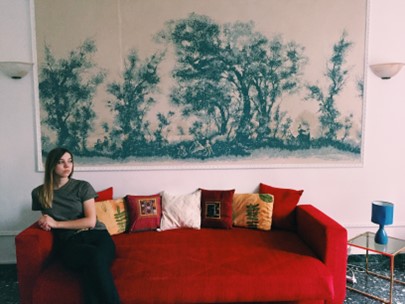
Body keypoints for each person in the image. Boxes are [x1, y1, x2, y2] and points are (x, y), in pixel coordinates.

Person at [31, 147, 120, 304]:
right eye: (61, 162)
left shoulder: (82, 187)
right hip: (70, 241)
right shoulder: (39, 193)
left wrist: (56, 223)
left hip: (97, 236)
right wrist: (44, 221)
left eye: (70, 161)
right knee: (93, 258)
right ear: (51, 165)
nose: (67, 166)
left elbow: (90, 221)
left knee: (91, 266)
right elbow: (46, 219)